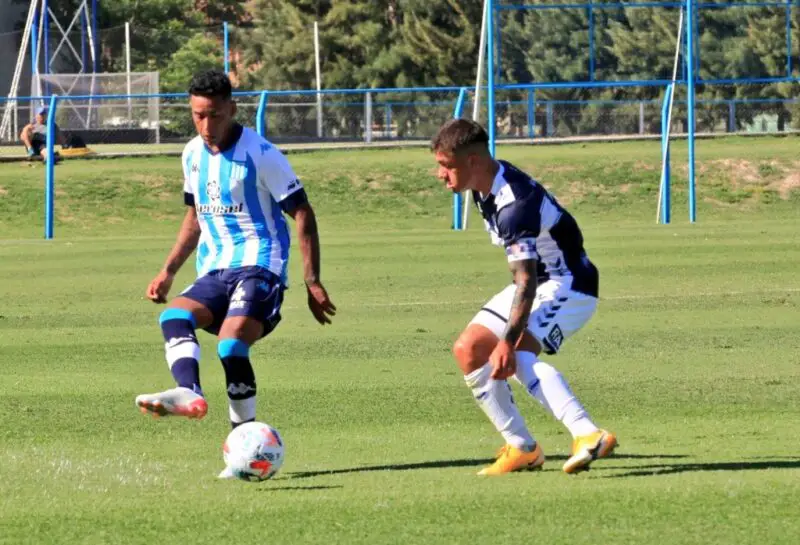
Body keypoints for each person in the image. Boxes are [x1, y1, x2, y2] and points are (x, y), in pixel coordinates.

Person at [135, 70, 336, 469]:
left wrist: (311, 280)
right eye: (198, 115)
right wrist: (169, 270)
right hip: (216, 269)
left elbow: (302, 212)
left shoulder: (261, 154)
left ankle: (239, 450)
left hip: (261, 266)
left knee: (230, 346)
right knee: (174, 316)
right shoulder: (191, 154)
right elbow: (195, 216)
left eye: (214, 115)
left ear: (232, 108)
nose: (206, 125)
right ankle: (189, 392)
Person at [431, 119, 617, 476]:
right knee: (468, 350)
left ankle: (588, 434)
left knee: (514, 353)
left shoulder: (513, 205)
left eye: (447, 165)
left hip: (569, 285)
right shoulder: (483, 184)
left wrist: (507, 340)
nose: (440, 174)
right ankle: (522, 448)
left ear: (472, 161)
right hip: (537, 280)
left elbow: (527, 279)